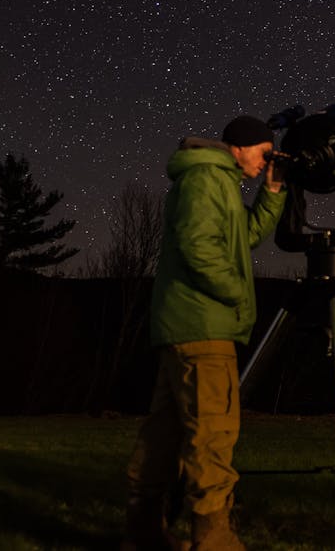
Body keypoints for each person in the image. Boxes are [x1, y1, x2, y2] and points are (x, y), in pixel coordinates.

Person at [121, 115, 287, 551]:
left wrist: (271, 192)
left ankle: (142, 532)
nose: (267, 160)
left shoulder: (217, 182)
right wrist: (236, 293)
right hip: (204, 326)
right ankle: (213, 540)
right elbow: (199, 246)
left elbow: (242, 237)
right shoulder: (207, 180)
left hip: (186, 324)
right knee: (213, 432)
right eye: (265, 152)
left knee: (166, 429)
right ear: (241, 147)